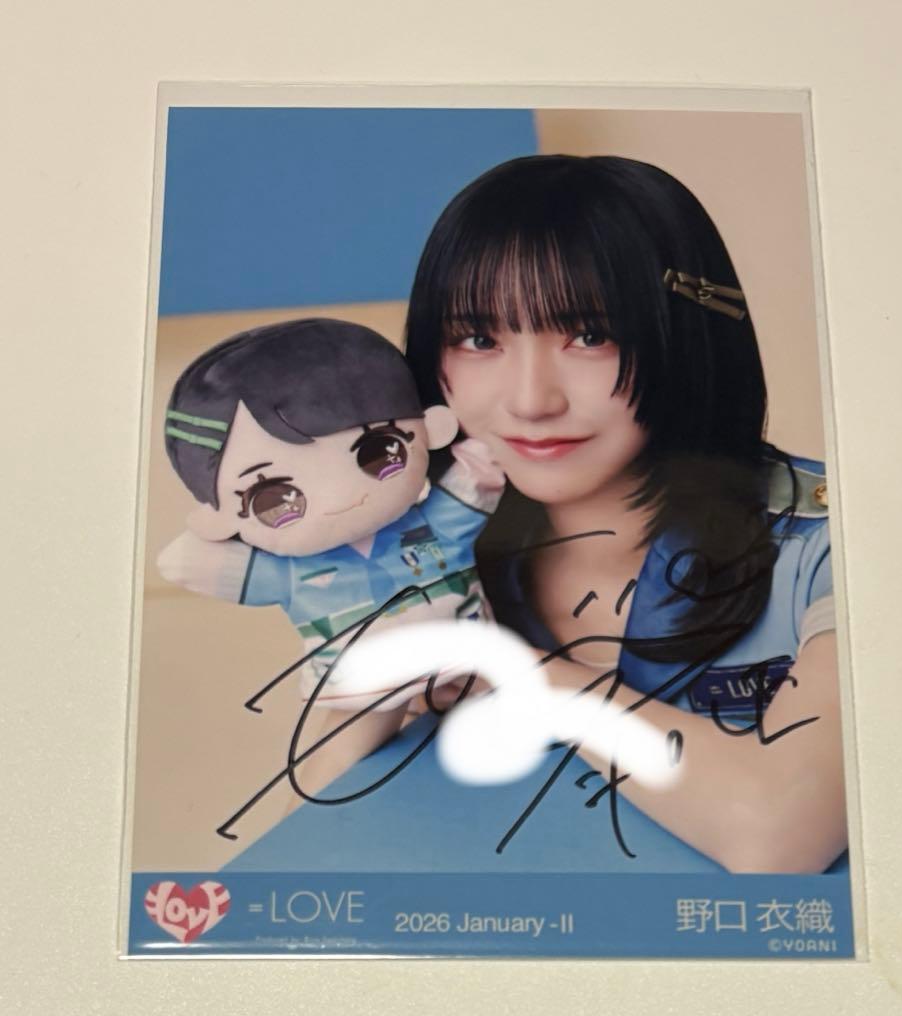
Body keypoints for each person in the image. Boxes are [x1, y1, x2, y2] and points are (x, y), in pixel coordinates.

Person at [404, 154, 846, 873]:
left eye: (589, 335)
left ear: (688, 334)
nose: (531, 400)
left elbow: (780, 835)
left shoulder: (836, 543)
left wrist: (525, 676)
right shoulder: (424, 553)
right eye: (480, 340)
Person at [157, 317, 502, 805]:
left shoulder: (436, 528)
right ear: (219, 517)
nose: (339, 498)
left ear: (430, 430)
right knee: (337, 770)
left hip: (470, 666)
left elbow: (478, 476)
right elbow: (191, 563)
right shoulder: (288, 572)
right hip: (361, 691)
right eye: (274, 498)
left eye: (380, 453)